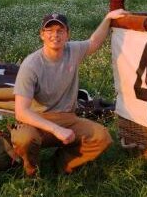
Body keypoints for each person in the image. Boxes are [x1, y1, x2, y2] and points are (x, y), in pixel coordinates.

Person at [11, 9, 127, 176]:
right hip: (37, 121)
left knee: (102, 137)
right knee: (24, 139)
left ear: (67, 35)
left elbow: (94, 42)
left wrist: (108, 18)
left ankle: (63, 163)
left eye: (60, 30)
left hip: (68, 117)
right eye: (49, 30)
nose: (55, 35)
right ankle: (32, 172)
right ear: (41, 35)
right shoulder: (31, 65)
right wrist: (56, 129)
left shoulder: (73, 51)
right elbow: (21, 112)